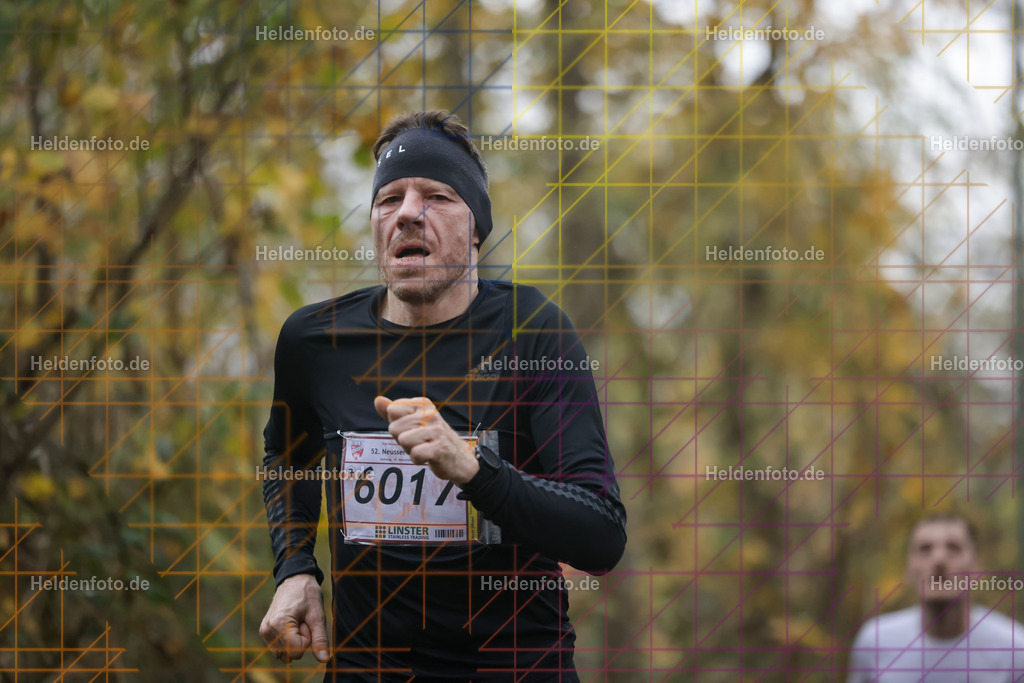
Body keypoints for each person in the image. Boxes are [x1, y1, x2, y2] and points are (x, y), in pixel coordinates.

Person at [259, 110, 627, 681]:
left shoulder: (533, 332)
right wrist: (295, 568)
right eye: (389, 199)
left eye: (436, 196)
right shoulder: (315, 343)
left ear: (476, 227)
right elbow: (287, 457)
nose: (407, 213)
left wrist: (476, 471)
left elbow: (602, 535)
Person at [848, 513, 1024, 682]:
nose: (939, 559)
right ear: (909, 570)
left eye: (954, 548)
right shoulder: (875, 642)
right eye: (925, 549)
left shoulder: (1014, 650)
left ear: (976, 569)